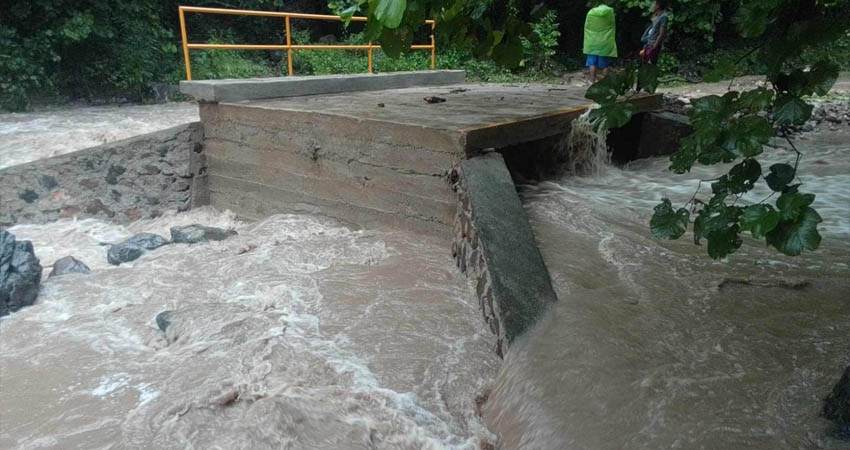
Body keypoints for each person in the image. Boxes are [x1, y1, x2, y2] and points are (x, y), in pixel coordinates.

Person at [583, 3, 617, 83]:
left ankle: (592, 81)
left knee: (592, 62)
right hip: (605, 42)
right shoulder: (609, 13)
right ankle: (604, 83)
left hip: (592, 41)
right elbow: (613, 26)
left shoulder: (591, 13)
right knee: (605, 64)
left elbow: (587, 27)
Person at [640, 0, 668, 64]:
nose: (653, 5)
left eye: (654, 4)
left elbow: (662, 34)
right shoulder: (657, 15)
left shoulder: (663, 17)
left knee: (651, 64)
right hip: (648, 42)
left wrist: (654, 46)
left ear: (658, 6)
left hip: (653, 44)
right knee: (644, 62)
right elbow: (654, 28)